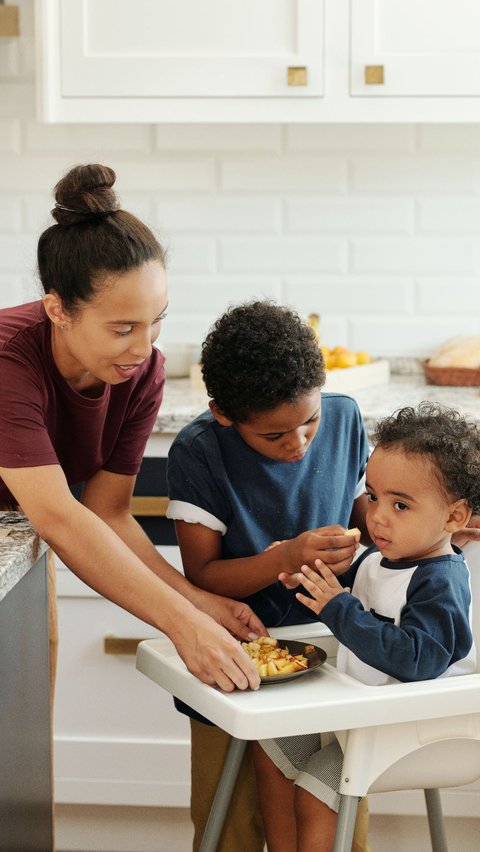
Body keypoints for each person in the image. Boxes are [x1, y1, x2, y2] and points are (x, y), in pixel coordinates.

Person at [0, 163, 266, 715]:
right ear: (58, 310)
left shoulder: (139, 372)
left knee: (19, 729)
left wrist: (196, 603)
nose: (143, 348)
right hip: (29, 526)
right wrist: (183, 625)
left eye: (156, 321)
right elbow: (58, 517)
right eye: (122, 328)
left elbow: (106, 512)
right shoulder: (9, 363)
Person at [166, 301, 372, 852]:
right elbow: (202, 576)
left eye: (310, 421)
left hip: (334, 657)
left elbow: (372, 529)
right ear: (224, 414)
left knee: (335, 820)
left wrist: (361, 550)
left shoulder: (346, 418)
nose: (299, 443)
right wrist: (282, 559)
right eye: (275, 436)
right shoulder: (199, 451)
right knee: (230, 823)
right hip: (232, 660)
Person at [253, 402, 480, 852]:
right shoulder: (380, 560)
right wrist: (305, 578)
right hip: (365, 716)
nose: (376, 516)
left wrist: (336, 607)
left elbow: (418, 659)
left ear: (454, 518)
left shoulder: (441, 581)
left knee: (317, 791)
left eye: (400, 505)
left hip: (418, 730)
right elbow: (349, 603)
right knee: (272, 745)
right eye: (373, 496)